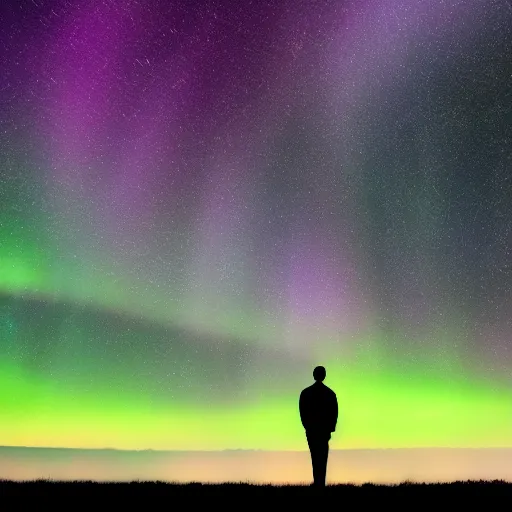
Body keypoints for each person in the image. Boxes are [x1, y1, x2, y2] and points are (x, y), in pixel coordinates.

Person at [299, 366, 338, 487]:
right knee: (322, 458)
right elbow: (334, 413)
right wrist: (330, 428)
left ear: (314, 375)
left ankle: (318, 483)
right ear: (324, 376)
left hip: (312, 431)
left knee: (315, 457)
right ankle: (320, 483)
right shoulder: (330, 393)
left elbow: (302, 412)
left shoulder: (306, 393)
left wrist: (307, 427)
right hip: (323, 431)